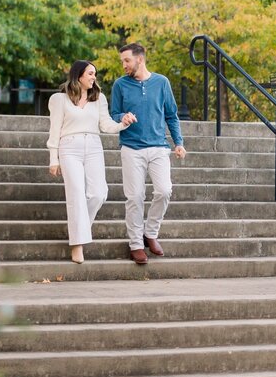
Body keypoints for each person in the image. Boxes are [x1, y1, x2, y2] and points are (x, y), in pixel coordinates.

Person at [47, 61, 135, 264]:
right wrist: (54, 159)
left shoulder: (99, 99)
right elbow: (55, 130)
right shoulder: (59, 99)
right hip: (69, 147)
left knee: (98, 193)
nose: (94, 77)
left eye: (94, 74)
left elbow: (106, 125)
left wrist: (123, 123)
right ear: (79, 75)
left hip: (94, 146)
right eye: (90, 73)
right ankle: (77, 245)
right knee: (76, 194)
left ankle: (79, 229)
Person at [110, 43, 186, 265]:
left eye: (127, 60)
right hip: (131, 147)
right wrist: (122, 117)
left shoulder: (161, 82)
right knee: (134, 197)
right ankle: (135, 244)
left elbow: (171, 115)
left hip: (158, 147)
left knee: (164, 191)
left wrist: (178, 142)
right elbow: (114, 113)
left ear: (139, 59)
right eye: (122, 61)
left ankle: (150, 233)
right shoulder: (120, 85)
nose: (123, 65)